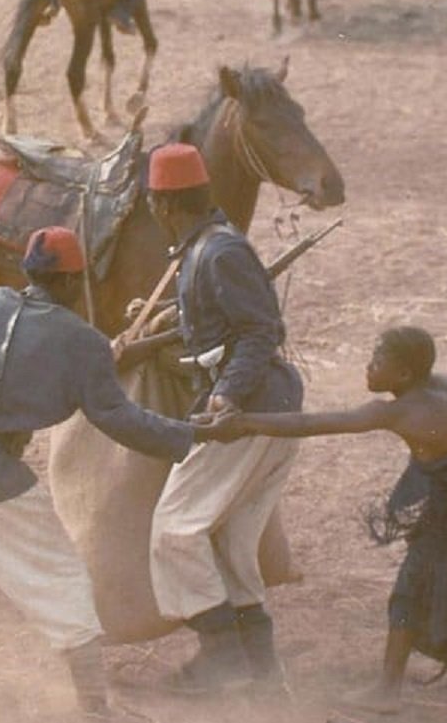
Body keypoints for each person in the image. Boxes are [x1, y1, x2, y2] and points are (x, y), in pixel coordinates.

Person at [0, 226, 208, 719]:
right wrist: (190, 436)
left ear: (30, 271)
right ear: (73, 280)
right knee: (66, 584)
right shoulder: (80, 340)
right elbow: (119, 419)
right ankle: (95, 709)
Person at [200, 326, 447, 716]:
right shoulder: (440, 387)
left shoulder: (405, 411)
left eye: (378, 361)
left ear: (405, 373)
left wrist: (243, 423)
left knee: (421, 581)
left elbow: (315, 423)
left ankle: (387, 689)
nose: (368, 366)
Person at [142, 143, 303, 698]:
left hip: (250, 410)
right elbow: (224, 318)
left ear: (163, 204)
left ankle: (222, 655)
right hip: (268, 407)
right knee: (233, 543)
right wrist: (169, 316)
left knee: (175, 529)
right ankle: (264, 676)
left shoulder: (218, 252)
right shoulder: (206, 249)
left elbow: (262, 330)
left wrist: (227, 394)